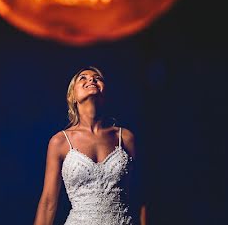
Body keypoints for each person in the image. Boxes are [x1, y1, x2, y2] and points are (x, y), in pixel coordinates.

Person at [33, 66, 148, 225]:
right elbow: (48, 203)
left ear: (105, 92)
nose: (92, 80)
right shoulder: (60, 142)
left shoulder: (126, 137)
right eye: (83, 78)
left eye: (97, 78)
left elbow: (139, 197)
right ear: (72, 96)